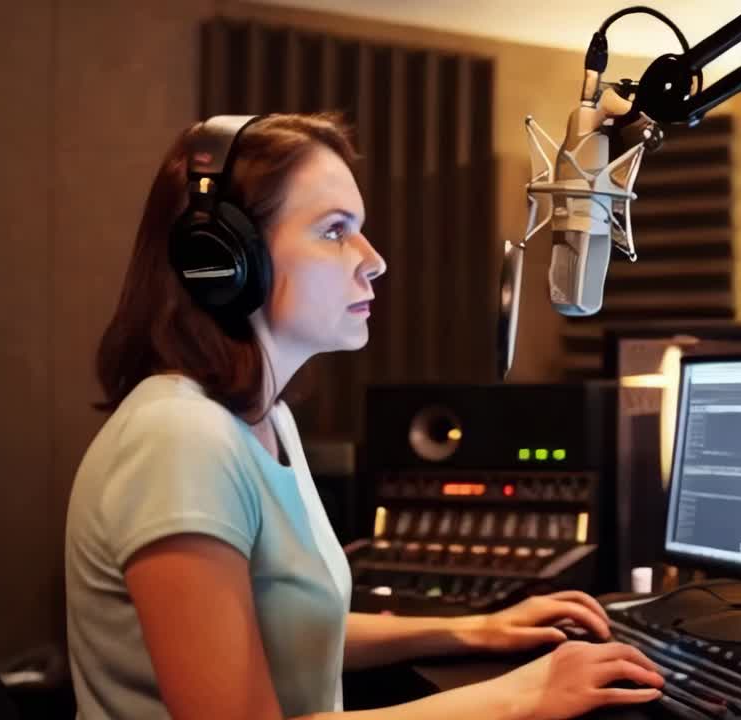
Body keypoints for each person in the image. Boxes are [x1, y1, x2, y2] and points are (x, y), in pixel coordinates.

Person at [64, 112, 663, 720]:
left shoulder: (263, 420)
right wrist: (521, 696)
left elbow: (288, 632)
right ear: (223, 259)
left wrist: (473, 630)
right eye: (333, 231)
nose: (373, 259)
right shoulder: (180, 439)